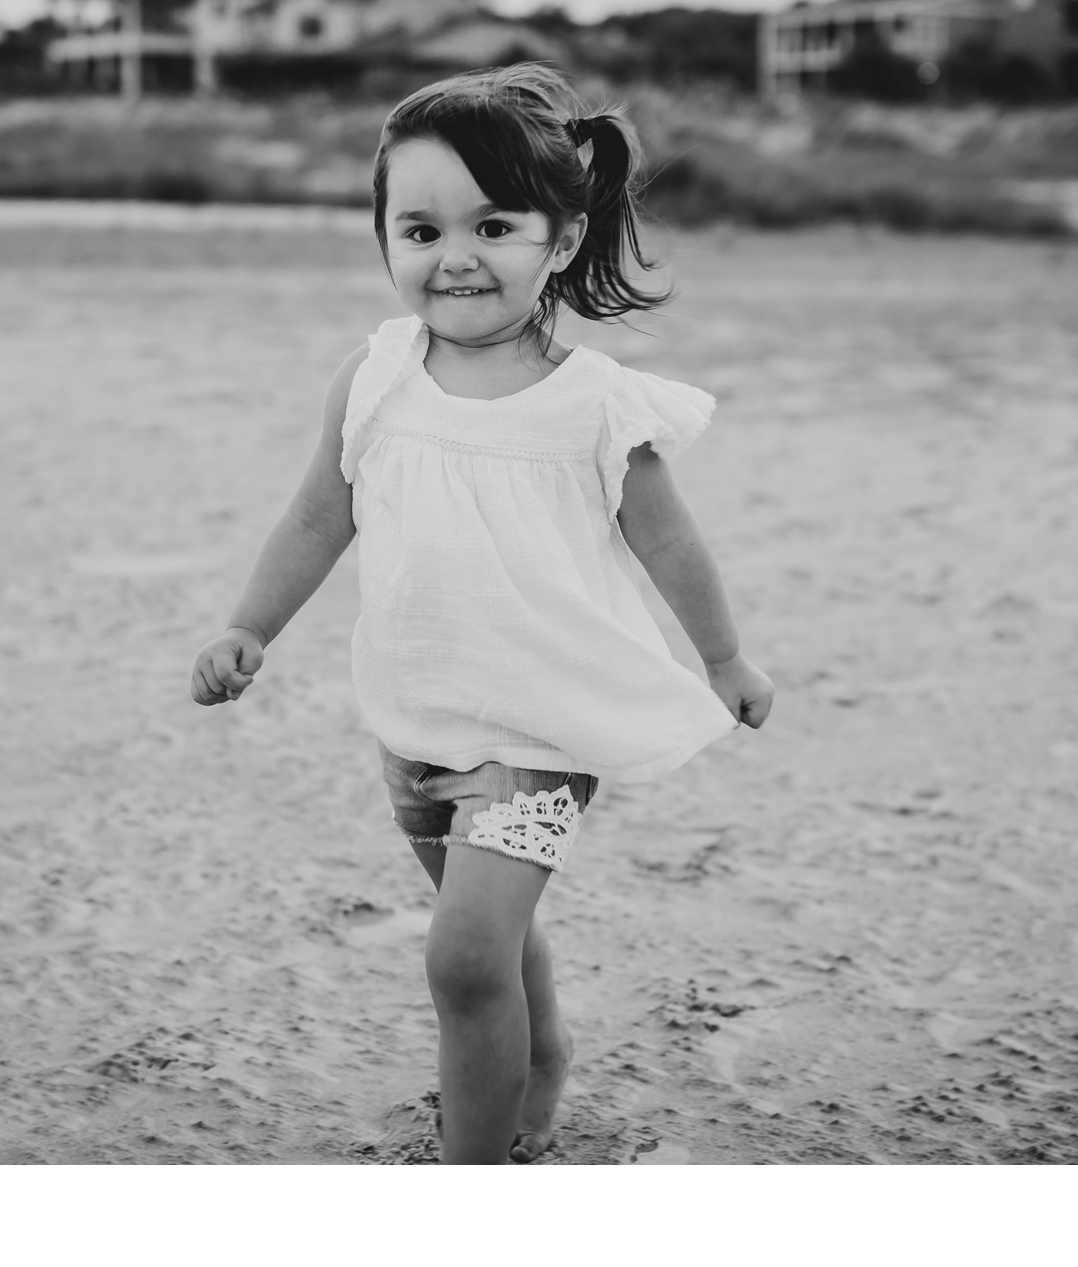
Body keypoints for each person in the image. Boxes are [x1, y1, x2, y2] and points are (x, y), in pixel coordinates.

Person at [190, 63, 773, 1164]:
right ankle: (537, 1051)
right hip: (415, 717)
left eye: (492, 224)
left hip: (541, 729)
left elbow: (669, 541)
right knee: (486, 940)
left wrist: (724, 657)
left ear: (558, 239)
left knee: (461, 956)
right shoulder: (375, 378)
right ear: (383, 238)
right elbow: (321, 513)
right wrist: (247, 626)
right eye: (418, 228)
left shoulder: (594, 404)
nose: (453, 256)